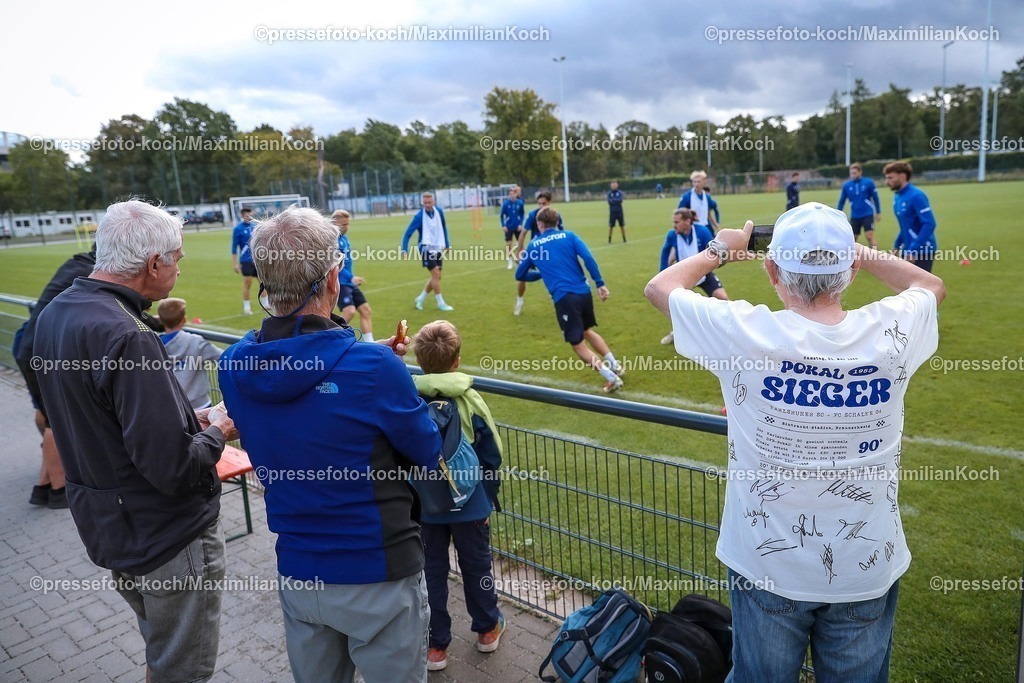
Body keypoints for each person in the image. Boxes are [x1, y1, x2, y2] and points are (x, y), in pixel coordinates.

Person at [644, 202, 945, 682]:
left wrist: (721, 248)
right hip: (864, 566)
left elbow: (660, 287)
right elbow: (929, 285)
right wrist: (856, 254)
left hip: (767, 562)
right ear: (849, 268)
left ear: (771, 269)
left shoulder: (745, 331)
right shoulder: (890, 330)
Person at [218, 206, 442, 683]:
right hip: (378, 569)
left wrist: (360, 359)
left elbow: (289, 371)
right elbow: (426, 451)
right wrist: (368, 365)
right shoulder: (375, 371)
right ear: (333, 279)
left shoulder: (235, 364)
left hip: (299, 571)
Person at [33, 199, 239, 682]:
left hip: (111, 525)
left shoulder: (56, 313)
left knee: (160, 652)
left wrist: (193, 416)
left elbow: (104, 421)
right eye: (178, 259)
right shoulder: (127, 334)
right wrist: (219, 431)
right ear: (154, 263)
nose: (180, 270)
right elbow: (172, 468)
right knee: (181, 669)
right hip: (164, 535)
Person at [411, 320, 506, 672]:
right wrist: (487, 496)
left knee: (430, 571)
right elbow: (492, 451)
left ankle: (436, 647)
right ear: (457, 360)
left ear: (420, 361)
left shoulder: (409, 396)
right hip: (470, 504)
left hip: (425, 506)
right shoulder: (469, 398)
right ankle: (486, 630)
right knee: (477, 566)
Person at [13, 248, 99, 509]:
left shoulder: (76, 264)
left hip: (27, 347)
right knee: (55, 421)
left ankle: (42, 486)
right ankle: (58, 490)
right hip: (42, 353)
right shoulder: (91, 273)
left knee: (47, 413)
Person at [516, 207, 624, 393]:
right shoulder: (570, 236)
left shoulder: (534, 246)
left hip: (564, 298)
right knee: (586, 330)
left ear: (539, 224)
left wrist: (540, 274)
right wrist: (600, 283)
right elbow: (588, 258)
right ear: (557, 222)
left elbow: (520, 274)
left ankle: (612, 378)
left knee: (578, 345)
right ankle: (615, 365)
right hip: (584, 292)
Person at [657, 208, 729, 345]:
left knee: (723, 298)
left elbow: (715, 251)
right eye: (674, 222)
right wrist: (662, 272)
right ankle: (676, 333)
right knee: (677, 307)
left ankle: (726, 330)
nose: (674, 225)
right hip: (683, 277)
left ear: (687, 221)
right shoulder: (672, 235)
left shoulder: (702, 232)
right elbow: (665, 251)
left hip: (703, 273)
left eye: (677, 222)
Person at [157, 297, 223, 410]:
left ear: (160, 320)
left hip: (171, 407)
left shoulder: (154, 344)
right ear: (184, 319)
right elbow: (225, 357)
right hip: (200, 406)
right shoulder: (196, 343)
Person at [402, 192, 454, 311]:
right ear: (422, 203)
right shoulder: (419, 217)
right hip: (425, 248)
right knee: (435, 273)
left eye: (429, 202)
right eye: (425, 203)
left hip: (437, 247)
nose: (428, 205)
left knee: (437, 276)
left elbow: (443, 227)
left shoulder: (439, 212)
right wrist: (404, 249)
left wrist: (447, 244)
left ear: (434, 202)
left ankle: (420, 299)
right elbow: (407, 233)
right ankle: (440, 303)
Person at [514, 190, 563, 317]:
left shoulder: (555, 215)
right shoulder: (533, 215)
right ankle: (519, 301)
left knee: (553, 277)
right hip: (534, 251)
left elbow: (562, 233)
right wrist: (520, 252)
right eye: (539, 204)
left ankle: (559, 303)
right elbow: (523, 234)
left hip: (549, 251)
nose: (541, 207)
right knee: (521, 276)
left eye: (544, 203)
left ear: (550, 203)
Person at [884, 161, 937, 273]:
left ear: (902, 176)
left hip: (922, 250)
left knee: (920, 288)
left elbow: (929, 223)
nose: (887, 182)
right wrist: (897, 245)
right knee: (907, 287)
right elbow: (906, 226)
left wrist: (913, 250)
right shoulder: (898, 197)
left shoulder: (916, 196)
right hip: (907, 249)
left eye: (890, 178)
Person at [332, 209, 374, 341]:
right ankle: (329, 336)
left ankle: (370, 343)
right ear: (334, 223)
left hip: (349, 281)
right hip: (340, 283)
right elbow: (335, 265)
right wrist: (351, 277)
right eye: (343, 224)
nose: (346, 227)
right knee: (349, 311)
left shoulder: (344, 238)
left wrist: (352, 277)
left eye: (347, 224)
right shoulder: (332, 241)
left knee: (365, 310)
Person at [837, 163, 882, 249]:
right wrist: (837, 214)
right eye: (851, 173)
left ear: (860, 172)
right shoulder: (846, 185)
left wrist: (878, 212)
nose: (852, 175)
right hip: (855, 215)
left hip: (867, 213)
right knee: (852, 239)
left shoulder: (869, 182)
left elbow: (875, 198)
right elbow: (841, 201)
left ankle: (876, 258)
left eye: (854, 173)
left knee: (869, 236)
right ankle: (851, 260)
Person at [231, 207, 257, 314]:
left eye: (250, 215)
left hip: (257, 259)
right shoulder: (238, 229)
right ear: (242, 216)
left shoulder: (255, 226)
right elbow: (234, 247)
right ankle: (247, 307)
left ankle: (266, 303)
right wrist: (235, 263)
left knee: (264, 282)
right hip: (246, 260)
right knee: (248, 283)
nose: (249, 217)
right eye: (247, 216)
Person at [677, 170, 720, 235]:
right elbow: (680, 213)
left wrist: (716, 226)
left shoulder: (707, 197)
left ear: (704, 182)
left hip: (706, 226)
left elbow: (708, 213)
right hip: (693, 228)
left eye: (699, 182)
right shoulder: (687, 197)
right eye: (695, 182)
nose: (696, 184)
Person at [500, 186, 525, 269]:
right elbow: (501, 215)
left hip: (517, 227)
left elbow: (522, 214)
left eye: (513, 193)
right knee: (508, 244)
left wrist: (520, 224)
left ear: (516, 194)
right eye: (510, 194)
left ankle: (522, 260)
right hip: (509, 227)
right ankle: (509, 261)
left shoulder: (520, 203)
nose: (512, 195)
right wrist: (503, 225)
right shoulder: (506, 204)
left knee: (521, 244)